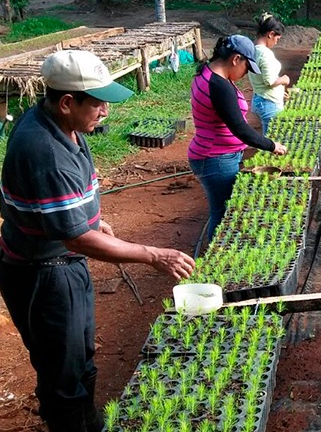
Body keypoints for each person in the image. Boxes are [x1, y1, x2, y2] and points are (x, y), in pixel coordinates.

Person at [0, 50, 196, 432]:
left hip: (61, 264)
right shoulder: (43, 150)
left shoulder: (62, 125)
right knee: (63, 376)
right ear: (68, 102)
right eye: (98, 102)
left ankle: (88, 422)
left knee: (82, 358)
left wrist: (93, 219)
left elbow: (68, 215)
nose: (106, 110)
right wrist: (152, 254)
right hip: (43, 275)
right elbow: (75, 238)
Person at [189, 34, 288, 241]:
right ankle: (215, 260)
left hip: (211, 154)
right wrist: (271, 145)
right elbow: (239, 128)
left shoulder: (205, 73)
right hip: (216, 158)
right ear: (236, 59)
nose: (244, 74)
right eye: (246, 67)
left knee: (221, 210)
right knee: (223, 214)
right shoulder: (219, 85)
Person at [248, 12, 290, 135]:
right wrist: (284, 79)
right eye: (277, 39)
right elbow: (270, 81)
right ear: (271, 34)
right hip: (268, 103)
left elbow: (263, 78)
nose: (276, 42)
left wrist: (281, 92)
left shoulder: (253, 50)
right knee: (273, 142)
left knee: (270, 137)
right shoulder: (265, 54)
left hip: (260, 98)